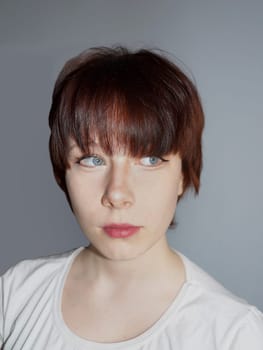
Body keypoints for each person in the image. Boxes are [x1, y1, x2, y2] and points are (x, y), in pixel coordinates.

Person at [0, 47, 263, 349]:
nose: (117, 194)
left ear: (183, 174)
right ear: (63, 170)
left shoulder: (233, 333)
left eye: (150, 159)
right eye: (92, 160)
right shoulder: (15, 295)